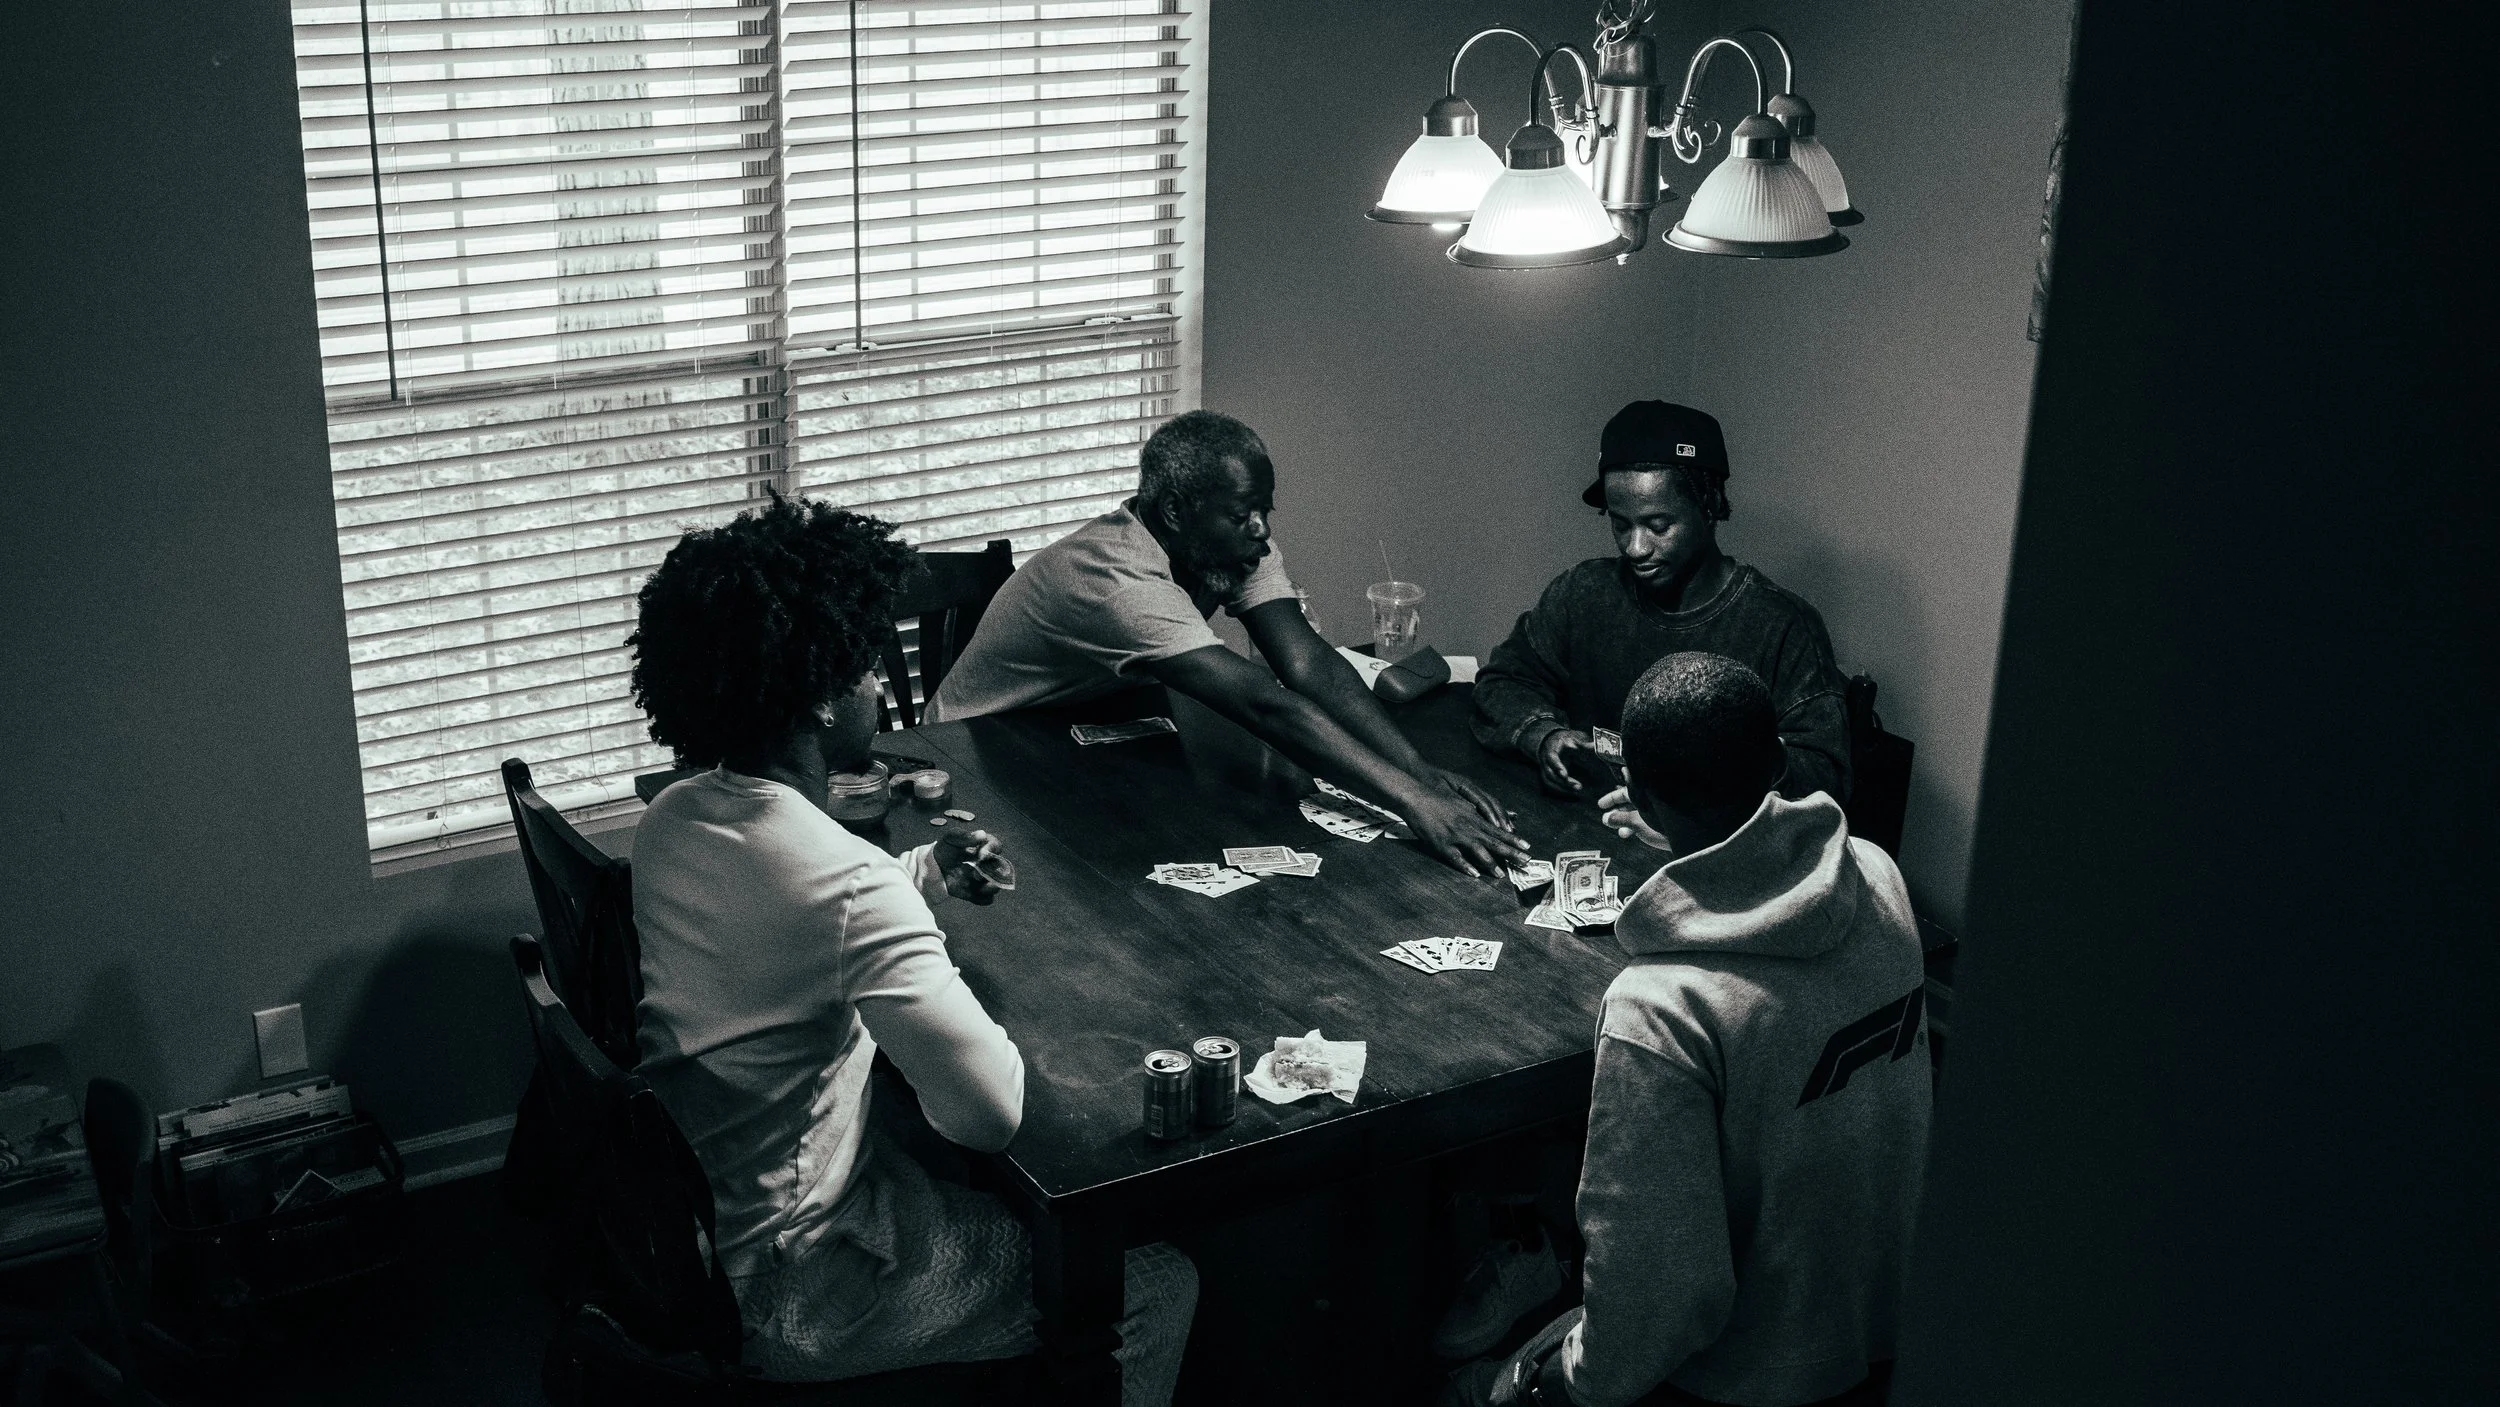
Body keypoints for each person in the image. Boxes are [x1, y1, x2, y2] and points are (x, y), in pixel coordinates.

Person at [624, 495, 1197, 1401]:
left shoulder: (671, 819)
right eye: (858, 662)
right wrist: (906, 912)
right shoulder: (850, 883)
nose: (873, 685)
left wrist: (921, 871)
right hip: (801, 1289)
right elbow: (988, 1115)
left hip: (701, 1233)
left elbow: (786, 914)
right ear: (816, 697)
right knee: (1159, 1279)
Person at [1459, 653, 1930, 1407]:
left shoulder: (1661, 1006)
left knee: (1484, 1388)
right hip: (1890, 1327)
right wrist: (1703, 844)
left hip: (1755, 1376)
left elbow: (1661, 1291)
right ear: (1778, 762)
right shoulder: (1875, 873)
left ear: (1640, 795)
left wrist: (1553, 1383)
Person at [928, 409, 1531, 877]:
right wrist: (1412, 803)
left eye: (1265, 510)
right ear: (1173, 511)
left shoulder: (1233, 546)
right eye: (1243, 514)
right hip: (974, 753)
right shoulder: (1112, 575)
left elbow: (1307, 664)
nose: (1262, 531)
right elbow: (1265, 703)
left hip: (1087, 737)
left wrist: (1418, 771)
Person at [1471, 401, 1851, 809]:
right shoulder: (1583, 592)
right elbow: (1501, 683)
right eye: (1620, 524)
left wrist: (1731, 768)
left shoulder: (1780, 626)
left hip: (1707, 854)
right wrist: (1541, 735)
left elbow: (1825, 778)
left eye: (1658, 526)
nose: (1635, 548)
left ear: (1710, 507)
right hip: (1589, 827)